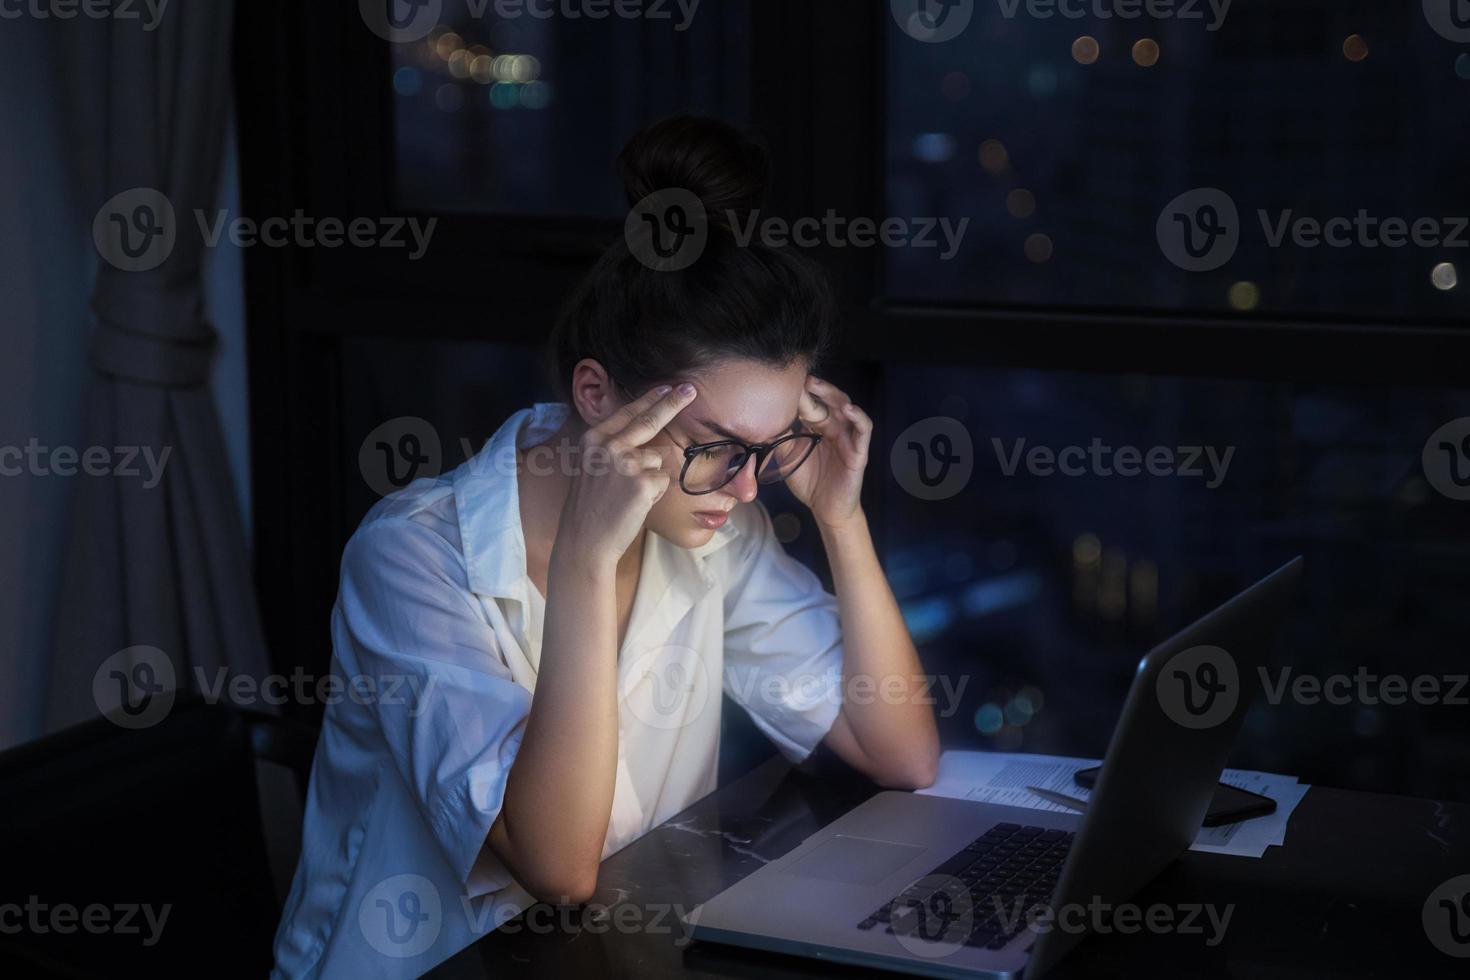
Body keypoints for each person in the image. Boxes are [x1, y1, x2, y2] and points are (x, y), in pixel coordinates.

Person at [271, 115, 939, 978]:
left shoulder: (712, 524)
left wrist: (843, 523)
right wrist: (588, 562)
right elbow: (555, 865)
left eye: (769, 452)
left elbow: (900, 752)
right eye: (716, 446)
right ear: (597, 394)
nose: (745, 490)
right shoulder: (409, 557)